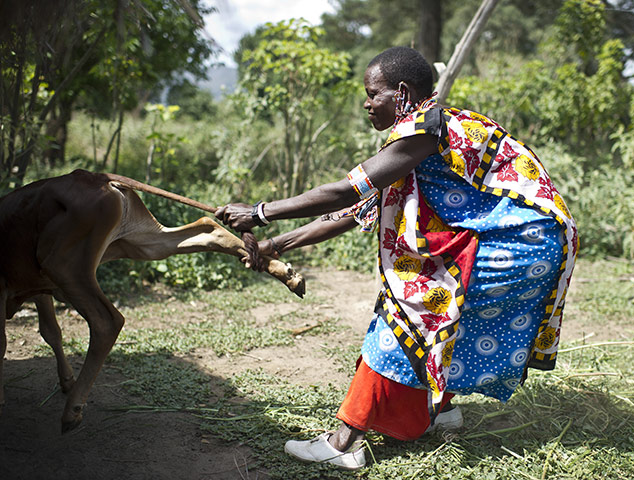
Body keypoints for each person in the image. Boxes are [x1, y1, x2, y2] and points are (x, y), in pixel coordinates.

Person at [216, 46, 577, 470]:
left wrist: (260, 213)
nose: (367, 104)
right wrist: (273, 246)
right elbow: (350, 213)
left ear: (401, 92)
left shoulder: (425, 128)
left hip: (522, 241)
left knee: (409, 309)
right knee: (440, 311)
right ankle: (442, 411)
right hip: (527, 241)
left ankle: (344, 442)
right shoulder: (415, 140)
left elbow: (346, 190)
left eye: (373, 94)